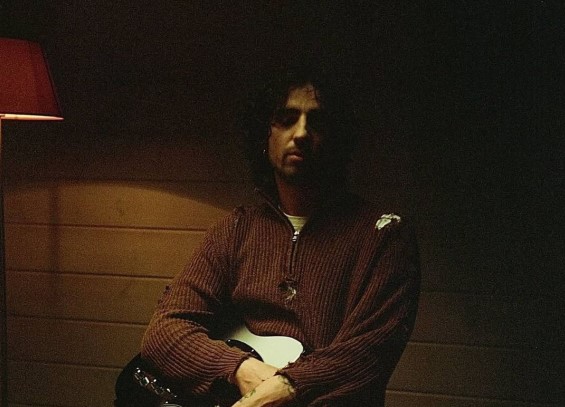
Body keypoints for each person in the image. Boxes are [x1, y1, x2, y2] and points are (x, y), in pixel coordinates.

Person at [140, 65, 421, 407]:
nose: (301, 133)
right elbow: (165, 330)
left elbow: (367, 354)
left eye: (317, 122)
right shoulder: (236, 229)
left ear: (337, 139)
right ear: (265, 136)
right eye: (286, 119)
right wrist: (239, 368)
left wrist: (289, 386)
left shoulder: (385, 236)